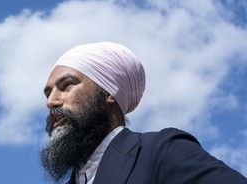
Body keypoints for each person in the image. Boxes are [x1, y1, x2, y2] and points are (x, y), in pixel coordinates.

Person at [40, 42, 247, 184]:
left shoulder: (162, 151)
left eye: (67, 86)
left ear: (109, 92)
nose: (51, 102)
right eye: (48, 94)